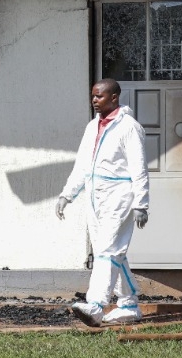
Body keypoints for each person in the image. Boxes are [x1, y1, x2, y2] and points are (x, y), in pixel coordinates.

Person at [55, 78, 149, 326]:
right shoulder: (92, 126)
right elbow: (82, 164)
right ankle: (128, 304)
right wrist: (68, 194)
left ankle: (95, 305)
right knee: (110, 252)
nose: (94, 101)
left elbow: (139, 168)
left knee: (107, 251)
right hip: (96, 196)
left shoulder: (129, 127)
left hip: (119, 197)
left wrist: (141, 203)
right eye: (93, 96)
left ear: (114, 97)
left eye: (99, 96)